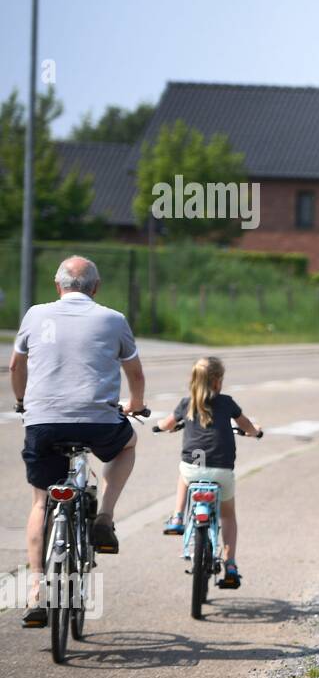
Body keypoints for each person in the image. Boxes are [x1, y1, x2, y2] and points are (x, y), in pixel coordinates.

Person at [10, 256, 146, 628]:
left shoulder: (35, 315)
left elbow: (15, 367)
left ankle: (37, 589)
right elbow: (134, 370)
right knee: (128, 443)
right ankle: (104, 517)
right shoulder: (113, 319)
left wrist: (23, 404)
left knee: (41, 501)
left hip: (44, 424)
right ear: (95, 288)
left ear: (58, 286)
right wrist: (135, 404)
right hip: (98, 421)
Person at [153, 356, 260, 589]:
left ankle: (177, 517)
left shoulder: (186, 404)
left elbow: (167, 424)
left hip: (194, 469)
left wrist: (159, 426)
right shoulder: (227, 403)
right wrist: (255, 431)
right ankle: (231, 565)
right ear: (218, 381)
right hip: (222, 471)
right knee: (228, 515)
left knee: (184, 473)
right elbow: (246, 425)